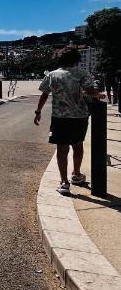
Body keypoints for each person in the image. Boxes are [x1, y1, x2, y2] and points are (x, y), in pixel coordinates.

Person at [34, 48, 102, 194]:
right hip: (80, 116)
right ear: (77, 60)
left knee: (62, 149)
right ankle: (76, 174)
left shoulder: (52, 75)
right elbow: (90, 91)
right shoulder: (83, 73)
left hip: (60, 117)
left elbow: (44, 95)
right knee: (78, 145)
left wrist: (38, 111)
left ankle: (64, 182)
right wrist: (98, 94)